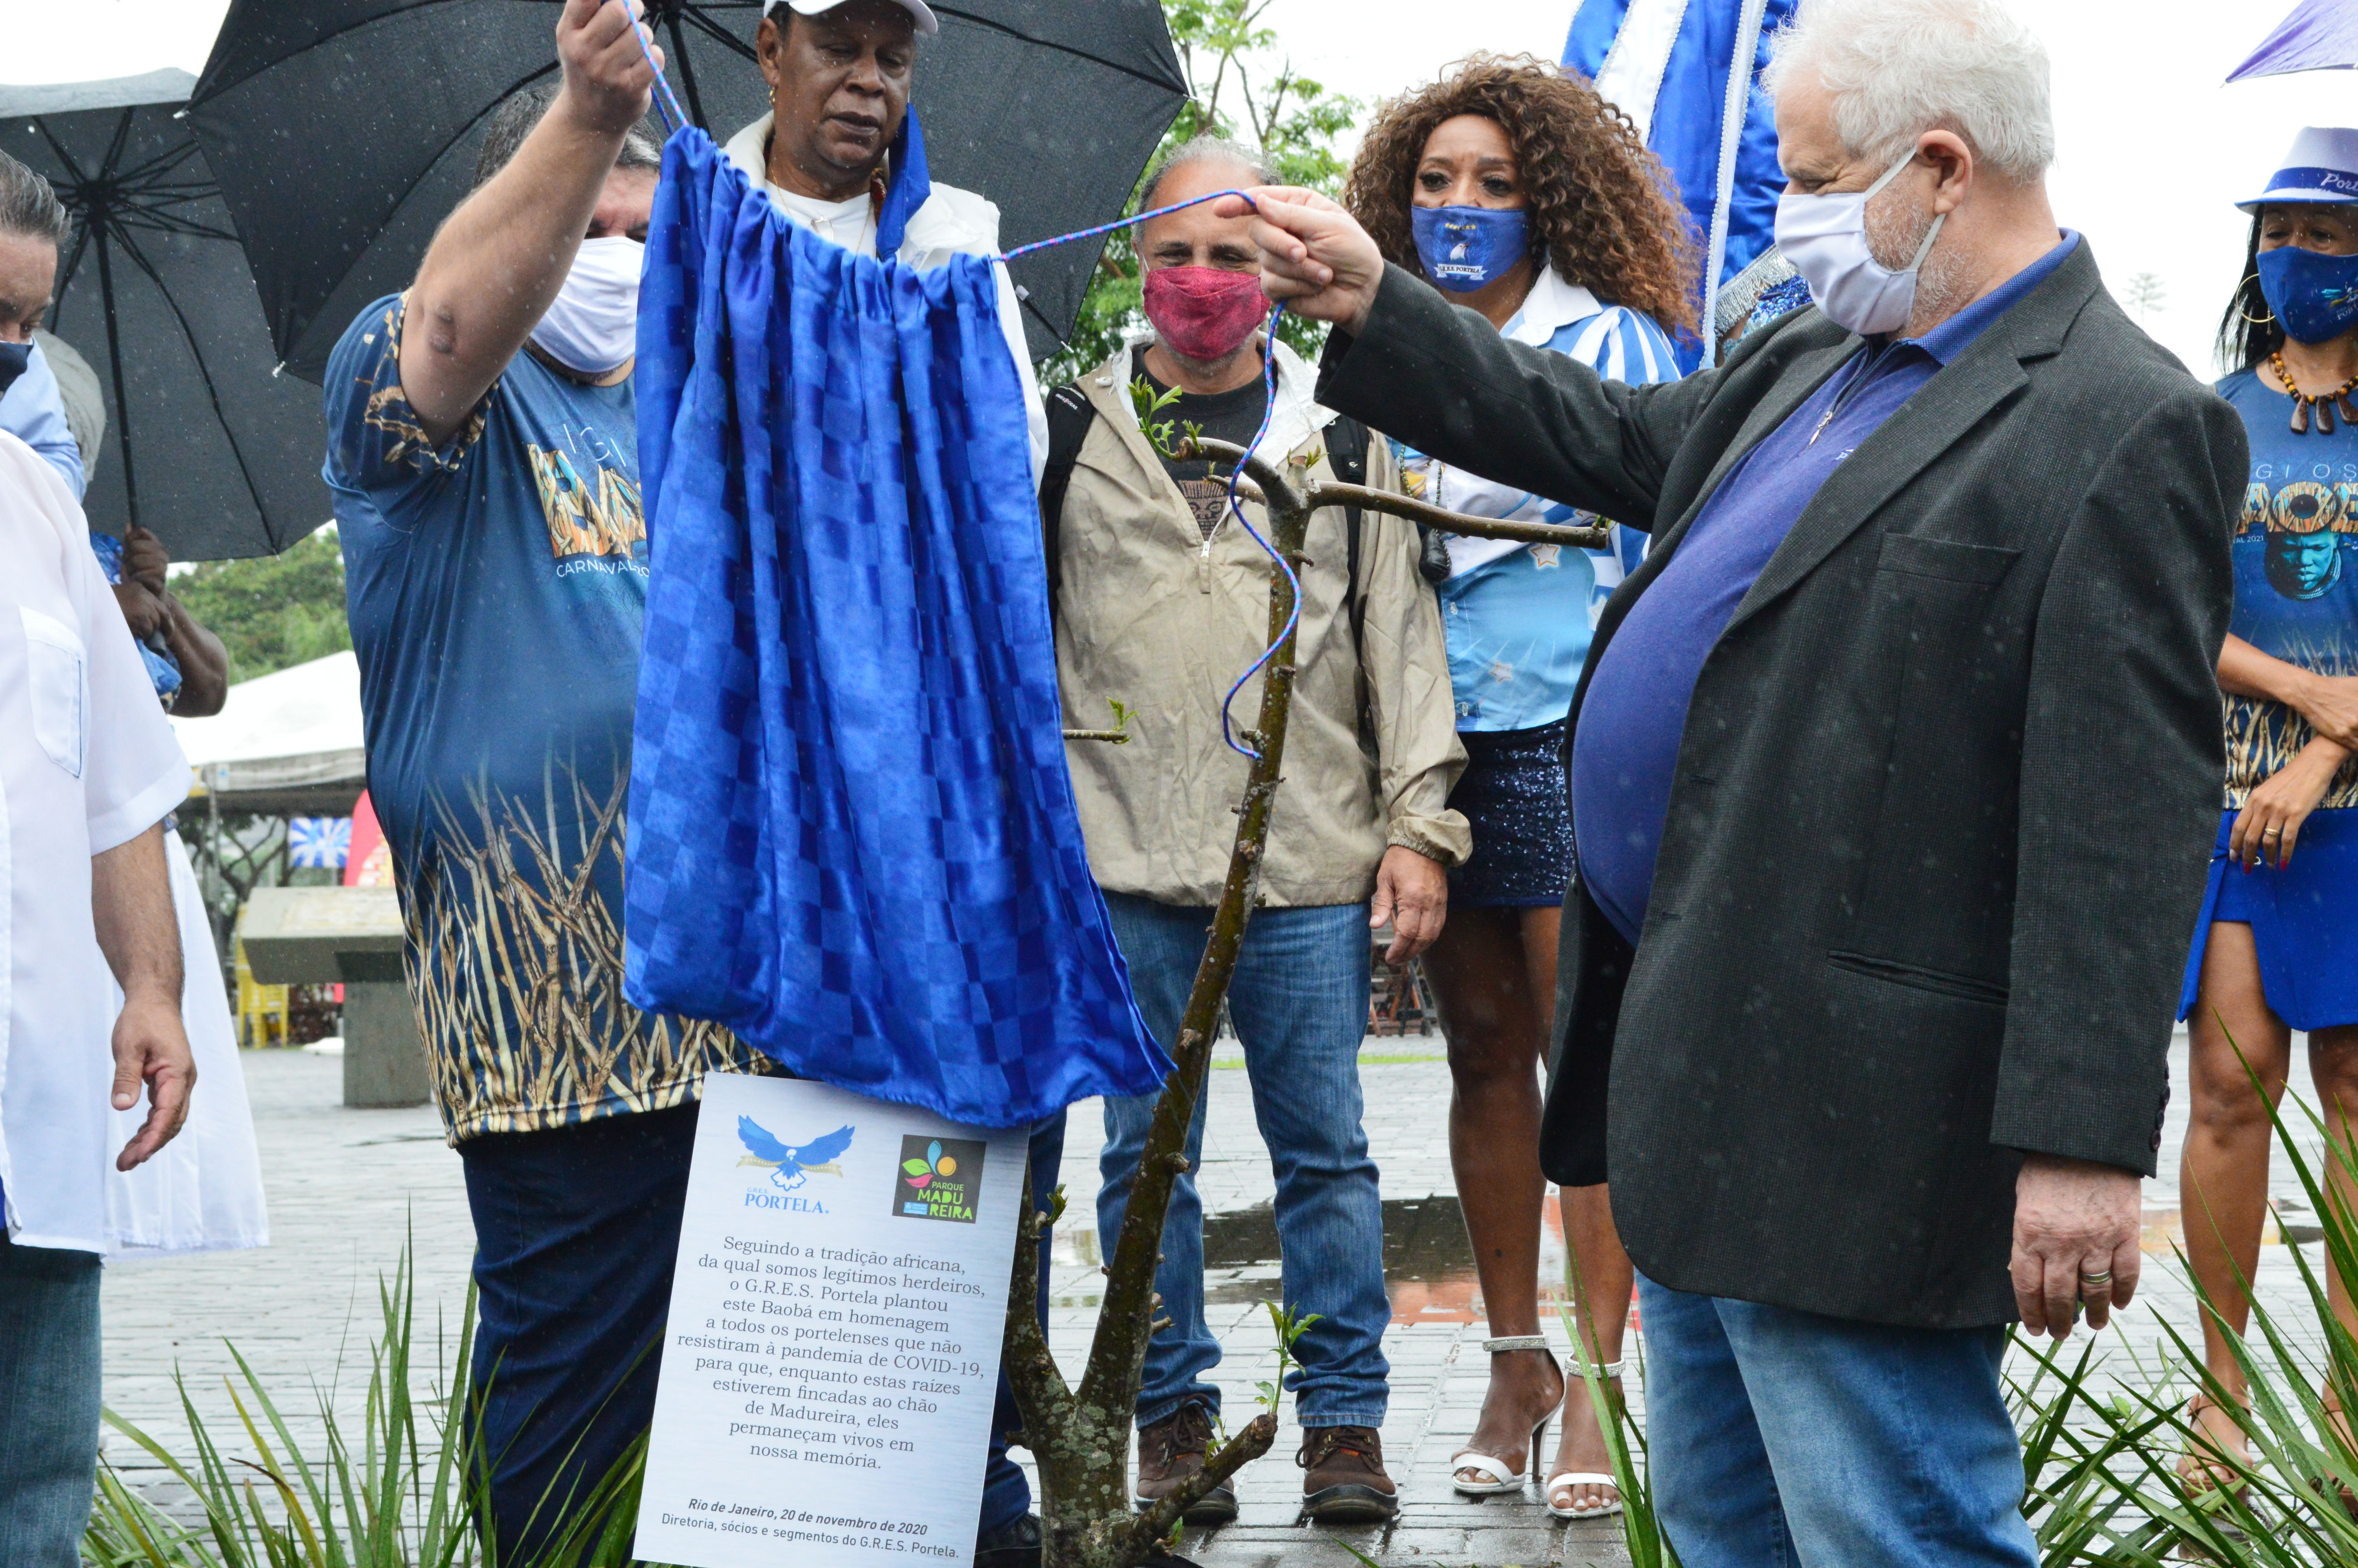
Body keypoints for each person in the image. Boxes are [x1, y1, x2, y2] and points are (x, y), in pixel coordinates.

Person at [1233, 0, 2242, 1559]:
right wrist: (1378, 302)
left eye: (1814, 177)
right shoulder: (1817, 353)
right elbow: (1605, 429)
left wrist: (2086, 1140)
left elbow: (2126, 812)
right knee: (1727, 1531)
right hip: (1700, 1082)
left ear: (1940, 166)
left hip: (1866, 1124)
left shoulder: (2121, 418)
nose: (1790, 216)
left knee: (1892, 1529)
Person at [321, 6, 783, 1555]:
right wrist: (590, 109)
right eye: (583, 219)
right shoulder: (408, 387)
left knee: (769, 1430)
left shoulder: (715, 408)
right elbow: (447, 337)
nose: (613, 252)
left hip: (764, 1012)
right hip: (551, 1026)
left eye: (645, 231)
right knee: (570, 1430)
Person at [1045, 134, 1468, 1525]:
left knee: (1326, 1151)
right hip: (1120, 855)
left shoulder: (1341, 440)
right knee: (1134, 1155)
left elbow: (1402, 646)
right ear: (1135, 263)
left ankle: (1344, 1423)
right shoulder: (1062, 433)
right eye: (1175, 252)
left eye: (1232, 254)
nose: (1203, 280)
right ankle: (1166, 1414)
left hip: (1303, 857)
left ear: (1279, 272)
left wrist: (1420, 828)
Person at [1339, 55, 1689, 1521]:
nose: (1460, 208)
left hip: (1571, 730)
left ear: (1547, 199)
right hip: (1432, 747)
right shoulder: (1357, 353)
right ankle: (1511, 1361)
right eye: (1432, 185)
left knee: (1579, 1075)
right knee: (1480, 1054)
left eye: (1491, 183)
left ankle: (1607, 1387)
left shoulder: (1608, 342)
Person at [2175, 127, 2358, 1492]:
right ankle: (2220, 1398)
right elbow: (2161, 602)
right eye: (2279, 233)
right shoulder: (2199, 419)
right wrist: (2301, 707)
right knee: (2228, 1093)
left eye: (2330, 237)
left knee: (2357, 1098)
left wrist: (2328, 753)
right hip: (2231, 801)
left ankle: (2352, 1401)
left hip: (2342, 802)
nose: (2297, 258)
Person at [0, 388, 199, 1563]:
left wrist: (152, 988)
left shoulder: (35, 504)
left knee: (37, 1488)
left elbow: (118, 790)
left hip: (36, 1103)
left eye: (28, 320)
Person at [724, 0, 1046, 476]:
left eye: (892, 60)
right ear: (772, 52)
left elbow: (1017, 460)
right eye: (838, 50)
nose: (870, 80)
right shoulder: (701, 230)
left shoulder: (958, 244)